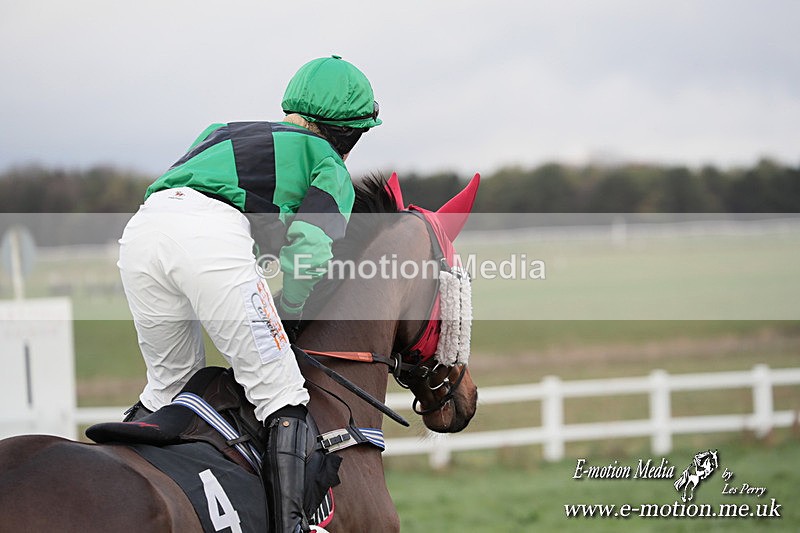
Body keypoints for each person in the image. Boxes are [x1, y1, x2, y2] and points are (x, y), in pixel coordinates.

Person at [117, 55, 381, 533]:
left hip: (142, 233)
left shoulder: (220, 129)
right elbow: (310, 247)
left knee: (170, 388)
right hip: (209, 240)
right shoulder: (329, 166)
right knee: (281, 394)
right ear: (351, 133)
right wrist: (292, 310)